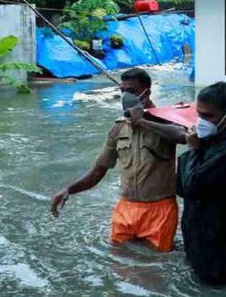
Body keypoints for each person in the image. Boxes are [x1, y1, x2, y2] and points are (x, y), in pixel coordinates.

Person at [50, 68, 187, 252]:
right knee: (119, 263)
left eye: (131, 91)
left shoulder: (165, 121)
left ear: (146, 92)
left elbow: (183, 136)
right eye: (123, 90)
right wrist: (69, 189)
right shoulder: (119, 128)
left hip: (160, 210)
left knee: (155, 271)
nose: (125, 96)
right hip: (126, 207)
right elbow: (98, 170)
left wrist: (143, 121)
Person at [177, 82, 226, 285]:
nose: (201, 121)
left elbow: (191, 186)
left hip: (219, 244)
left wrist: (194, 150)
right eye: (199, 114)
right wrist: (198, 148)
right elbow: (181, 189)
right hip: (197, 236)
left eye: (208, 116)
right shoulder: (209, 141)